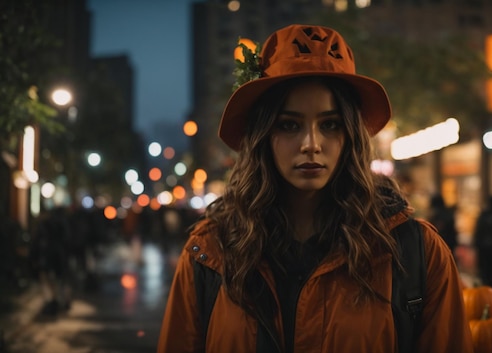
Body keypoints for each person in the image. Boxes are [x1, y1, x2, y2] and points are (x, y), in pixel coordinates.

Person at [157, 24, 471, 353]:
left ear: (351, 134)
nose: (311, 144)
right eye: (289, 125)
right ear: (263, 135)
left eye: (330, 124)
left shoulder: (416, 252)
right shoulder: (210, 252)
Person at [473, 195, 492, 289]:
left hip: (483, 247)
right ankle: (491, 289)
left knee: (484, 271)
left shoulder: (483, 214)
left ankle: (486, 287)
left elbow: (478, 231)